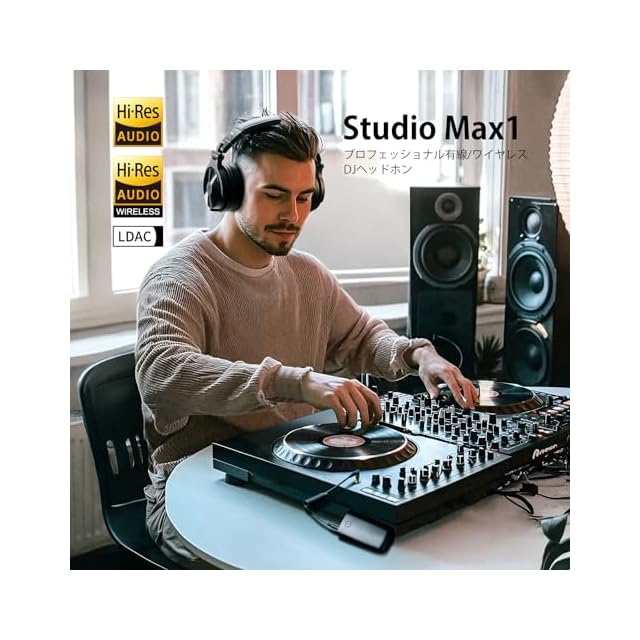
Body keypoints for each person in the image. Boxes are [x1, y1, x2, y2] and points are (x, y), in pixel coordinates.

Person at [135, 112, 479, 568]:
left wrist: (417, 354)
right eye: (274, 195)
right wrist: (296, 382)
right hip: (195, 489)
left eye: (304, 197)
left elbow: (363, 335)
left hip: (290, 473)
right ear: (228, 189)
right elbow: (161, 373)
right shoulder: (179, 276)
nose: (293, 215)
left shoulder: (307, 273)